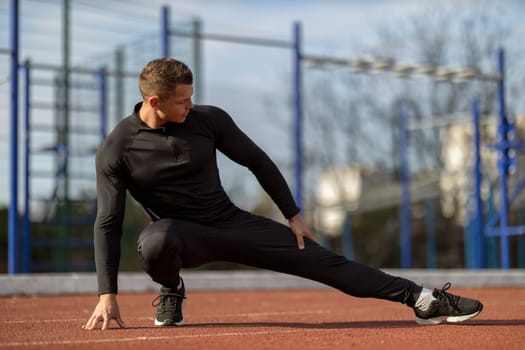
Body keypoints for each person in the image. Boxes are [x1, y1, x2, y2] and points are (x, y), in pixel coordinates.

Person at [82, 58, 483, 331]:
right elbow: (108, 221)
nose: (191, 104)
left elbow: (257, 160)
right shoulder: (118, 148)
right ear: (155, 102)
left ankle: (423, 300)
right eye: (182, 101)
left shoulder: (207, 120)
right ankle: (172, 289)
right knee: (155, 242)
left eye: (191, 96)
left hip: (231, 223)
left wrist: (292, 214)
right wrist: (106, 294)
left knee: (325, 262)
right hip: (180, 236)